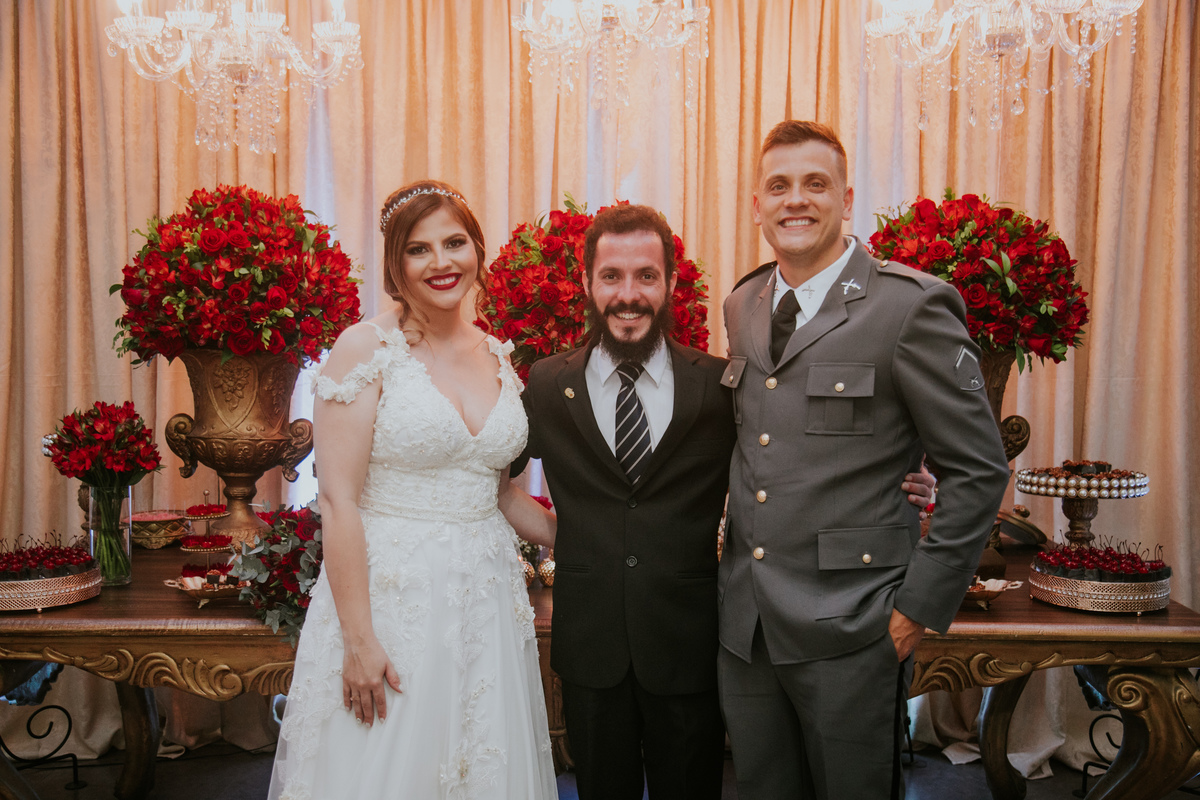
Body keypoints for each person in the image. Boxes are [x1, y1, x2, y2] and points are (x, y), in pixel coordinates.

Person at [515, 204, 935, 800]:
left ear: (671, 283)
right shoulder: (545, 383)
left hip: (691, 645)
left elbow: (794, 458)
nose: (628, 295)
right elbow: (485, 474)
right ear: (587, 283)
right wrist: (569, 535)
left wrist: (904, 474)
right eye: (611, 276)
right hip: (590, 648)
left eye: (646, 276)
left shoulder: (717, 384)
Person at [717, 120, 1011, 800]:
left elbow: (978, 469)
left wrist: (917, 608)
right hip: (748, 627)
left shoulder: (909, 305)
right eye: (778, 186)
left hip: (854, 624)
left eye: (815, 184)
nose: (796, 200)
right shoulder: (742, 304)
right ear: (756, 205)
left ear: (846, 199)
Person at [268, 180, 558, 800]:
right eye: (418, 249)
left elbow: (502, 495)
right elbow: (337, 502)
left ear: (477, 249)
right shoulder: (365, 348)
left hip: (487, 601)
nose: (441, 262)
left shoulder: (498, 355)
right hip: (393, 602)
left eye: (454, 243)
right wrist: (358, 640)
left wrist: (592, 534)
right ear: (396, 264)